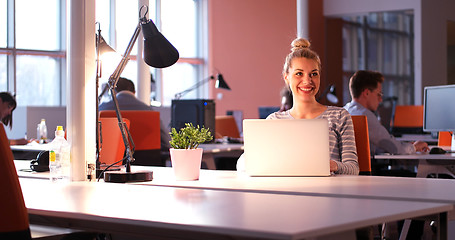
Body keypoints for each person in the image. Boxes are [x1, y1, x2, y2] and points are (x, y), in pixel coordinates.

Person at [238, 38, 359, 175]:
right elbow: (249, 164)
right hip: (286, 191)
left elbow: (353, 169)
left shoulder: (339, 116)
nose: (307, 81)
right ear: (286, 78)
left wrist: (332, 165)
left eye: (314, 74)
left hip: (328, 191)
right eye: (299, 74)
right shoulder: (274, 121)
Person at [344, 70, 429, 155]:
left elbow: (378, 146)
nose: (380, 100)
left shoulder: (343, 112)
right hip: (366, 168)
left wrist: (404, 145)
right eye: (379, 94)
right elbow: (394, 148)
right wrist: (415, 147)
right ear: (366, 93)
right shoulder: (364, 116)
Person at [99, 77, 171, 154]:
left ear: (114, 92)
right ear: (134, 92)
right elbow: (167, 142)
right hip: (147, 161)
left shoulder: (102, 109)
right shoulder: (148, 110)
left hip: (110, 161)